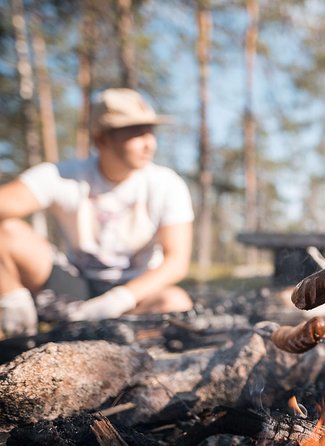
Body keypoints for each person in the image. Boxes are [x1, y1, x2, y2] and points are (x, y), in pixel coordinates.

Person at [0, 88, 194, 340]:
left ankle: (108, 339)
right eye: (136, 132)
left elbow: (176, 261)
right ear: (101, 139)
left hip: (136, 294)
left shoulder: (167, 184)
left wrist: (119, 299)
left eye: (150, 131)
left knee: (174, 303)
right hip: (75, 288)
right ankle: (28, 326)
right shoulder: (65, 176)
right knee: (7, 231)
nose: (149, 143)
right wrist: (9, 292)